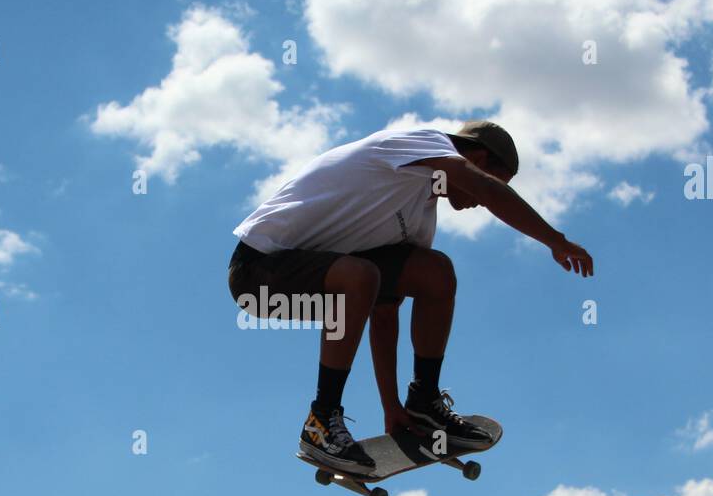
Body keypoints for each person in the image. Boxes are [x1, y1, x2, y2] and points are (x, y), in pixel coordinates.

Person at [227, 120, 593, 473]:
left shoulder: (419, 218)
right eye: (495, 181)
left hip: (326, 277)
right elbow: (482, 187)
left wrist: (392, 406)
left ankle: (424, 402)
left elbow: (384, 313)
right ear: (478, 160)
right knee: (359, 276)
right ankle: (320, 420)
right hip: (258, 277)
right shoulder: (419, 144)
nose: (480, 203)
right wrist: (555, 241)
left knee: (434, 272)